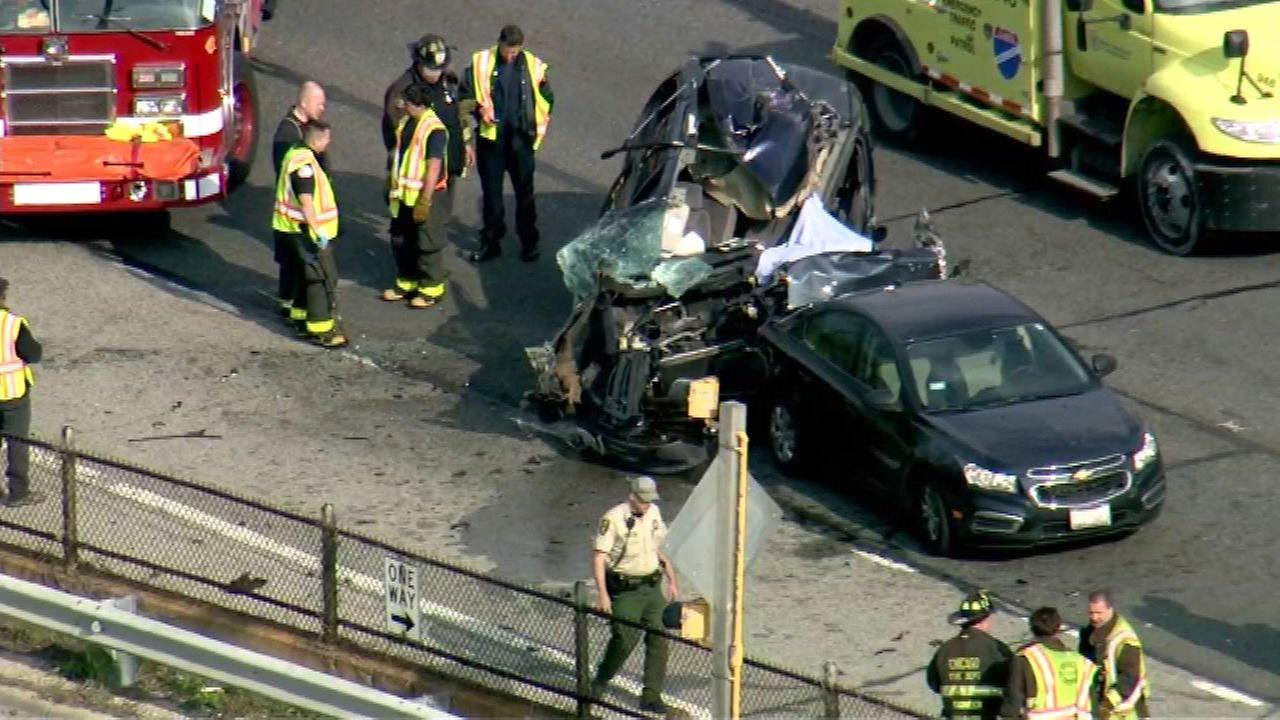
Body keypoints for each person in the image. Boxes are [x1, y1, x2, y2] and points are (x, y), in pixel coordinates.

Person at [460, 24, 553, 263]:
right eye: (506, 51)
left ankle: (529, 243)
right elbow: (465, 96)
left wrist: (534, 126)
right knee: (492, 197)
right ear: (499, 43)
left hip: (521, 141)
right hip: (492, 141)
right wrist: (479, 111)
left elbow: (547, 98)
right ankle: (491, 242)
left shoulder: (534, 66)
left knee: (525, 196)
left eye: (514, 52)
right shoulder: (481, 62)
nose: (509, 56)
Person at [591, 475, 678, 714]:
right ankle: (600, 680)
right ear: (633, 497)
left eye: (650, 500)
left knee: (658, 639)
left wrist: (670, 573)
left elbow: (655, 545)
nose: (648, 505)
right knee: (624, 638)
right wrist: (603, 595)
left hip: (651, 586)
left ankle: (651, 695)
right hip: (625, 589)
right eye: (644, 500)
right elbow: (599, 557)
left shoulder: (654, 513)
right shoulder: (613, 519)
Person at [272, 120, 346, 348]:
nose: (329, 143)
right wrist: (317, 231)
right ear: (316, 139)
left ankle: (300, 317)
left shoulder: (294, 152)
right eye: (326, 139)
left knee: (304, 277)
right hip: (305, 230)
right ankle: (321, 329)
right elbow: (306, 201)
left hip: (290, 228)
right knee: (319, 279)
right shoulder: (304, 164)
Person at [382, 83, 451, 308]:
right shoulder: (407, 121)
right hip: (404, 195)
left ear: (418, 105)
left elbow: (433, 167)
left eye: (407, 103)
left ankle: (431, 288)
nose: (403, 106)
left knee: (426, 243)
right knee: (402, 240)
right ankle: (407, 281)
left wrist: (425, 200)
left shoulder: (434, 130)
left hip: (424, 195)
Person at [271, 81, 327, 328]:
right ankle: (291, 307)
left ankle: (291, 305)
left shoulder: (304, 128)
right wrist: (313, 219)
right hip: (295, 217)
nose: (323, 108)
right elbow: (296, 182)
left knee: (293, 264)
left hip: (297, 215)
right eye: (319, 103)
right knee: (295, 265)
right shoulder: (288, 135)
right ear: (304, 103)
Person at [381, 34, 475, 175]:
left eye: (439, 69)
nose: (435, 75)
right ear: (419, 63)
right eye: (430, 70)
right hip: (417, 165)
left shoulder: (449, 82)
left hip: (448, 161)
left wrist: (465, 144)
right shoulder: (402, 89)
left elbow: (458, 115)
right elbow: (394, 127)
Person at [927, 590, 1014, 720]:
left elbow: (934, 683)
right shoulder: (998, 649)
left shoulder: (945, 649)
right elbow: (1013, 683)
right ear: (985, 619)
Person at [1000, 607, 1095, 720]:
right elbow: (1092, 702)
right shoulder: (1081, 662)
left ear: (1032, 628)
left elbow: (1013, 701)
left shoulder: (1026, 657)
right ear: (1059, 627)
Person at [0, 278, 44, 508]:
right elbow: (33, 354)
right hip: (12, 395)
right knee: (17, 443)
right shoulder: (12, 324)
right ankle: (18, 492)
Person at [1079, 591, 1150, 720]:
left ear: (1110, 609)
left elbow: (1129, 678)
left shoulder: (1125, 640)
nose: (1094, 617)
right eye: (1091, 613)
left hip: (1125, 712)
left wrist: (1107, 705)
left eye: (1099, 613)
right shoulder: (1091, 633)